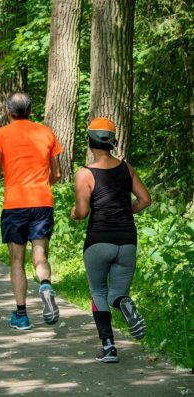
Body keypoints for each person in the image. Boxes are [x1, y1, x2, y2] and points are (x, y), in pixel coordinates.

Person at [71, 117, 151, 363]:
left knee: (98, 292)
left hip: (99, 240)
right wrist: (127, 211)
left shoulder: (85, 174)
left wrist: (72, 213)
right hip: (127, 240)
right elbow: (145, 200)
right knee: (116, 293)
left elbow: (82, 213)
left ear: (90, 142)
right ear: (112, 142)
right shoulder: (127, 168)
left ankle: (108, 347)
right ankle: (123, 302)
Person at [0, 92, 62, 330]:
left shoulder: (0, 135)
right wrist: (42, 187)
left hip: (15, 205)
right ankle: (45, 285)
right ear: (30, 110)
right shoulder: (46, 132)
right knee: (40, 255)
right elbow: (56, 174)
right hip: (42, 203)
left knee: (17, 260)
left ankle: (22, 315)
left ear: (8, 112)